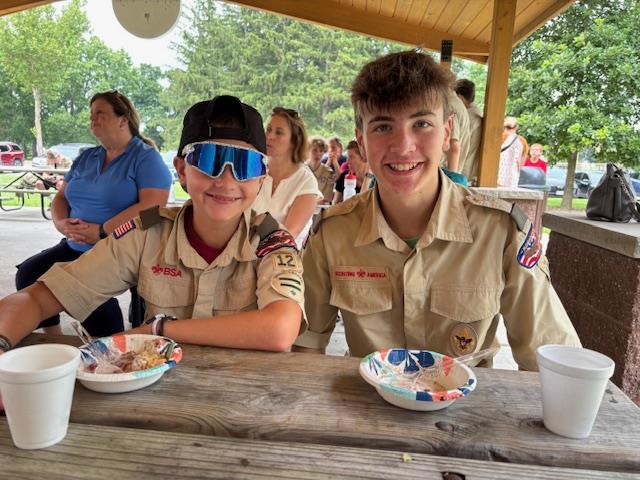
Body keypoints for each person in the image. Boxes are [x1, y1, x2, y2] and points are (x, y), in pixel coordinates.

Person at [293, 50, 580, 371]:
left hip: (468, 413)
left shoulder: (500, 232)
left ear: (446, 132)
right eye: (383, 127)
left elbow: (552, 357)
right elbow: (306, 347)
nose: (404, 146)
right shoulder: (332, 234)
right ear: (361, 140)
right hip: (367, 406)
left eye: (422, 124)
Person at [0, 94, 306, 364]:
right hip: (153, 396)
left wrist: (158, 330)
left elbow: (280, 329)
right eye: (209, 158)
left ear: (261, 179)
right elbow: (38, 298)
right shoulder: (147, 232)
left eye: (246, 165)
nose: (226, 181)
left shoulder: (272, 240)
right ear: (182, 170)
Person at [15, 91, 172, 337]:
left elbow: (153, 209)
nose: (93, 119)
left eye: (101, 113)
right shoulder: (87, 157)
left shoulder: (145, 158)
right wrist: (61, 223)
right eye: (91, 115)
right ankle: (52, 338)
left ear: (123, 120)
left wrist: (101, 231)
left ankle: (111, 351)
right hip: (75, 245)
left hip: (118, 249)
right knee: (29, 272)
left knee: (89, 296)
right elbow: (62, 197)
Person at [253, 107, 322, 249]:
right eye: (269, 129)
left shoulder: (306, 182)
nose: (270, 136)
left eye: (279, 132)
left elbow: (287, 236)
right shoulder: (254, 170)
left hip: (282, 262)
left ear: (294, 141)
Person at [455, 79, 483, 185]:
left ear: (460, 97)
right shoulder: (477, 114)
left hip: (462, 174)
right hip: (470, 174)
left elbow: (457, 145)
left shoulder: (468, 116)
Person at [499, 117, 529, 188]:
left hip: (497, 177)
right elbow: (521, 163)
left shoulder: (498, 137)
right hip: (513, 179)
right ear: (517, 127)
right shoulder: (522, 141)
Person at [307, 137, 336, 204]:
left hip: (320, 210)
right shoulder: (301, 170)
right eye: (315, 150)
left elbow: (327, 198)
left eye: (321, 151)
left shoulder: (329, 172)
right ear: (308, 151)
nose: (318, 153)